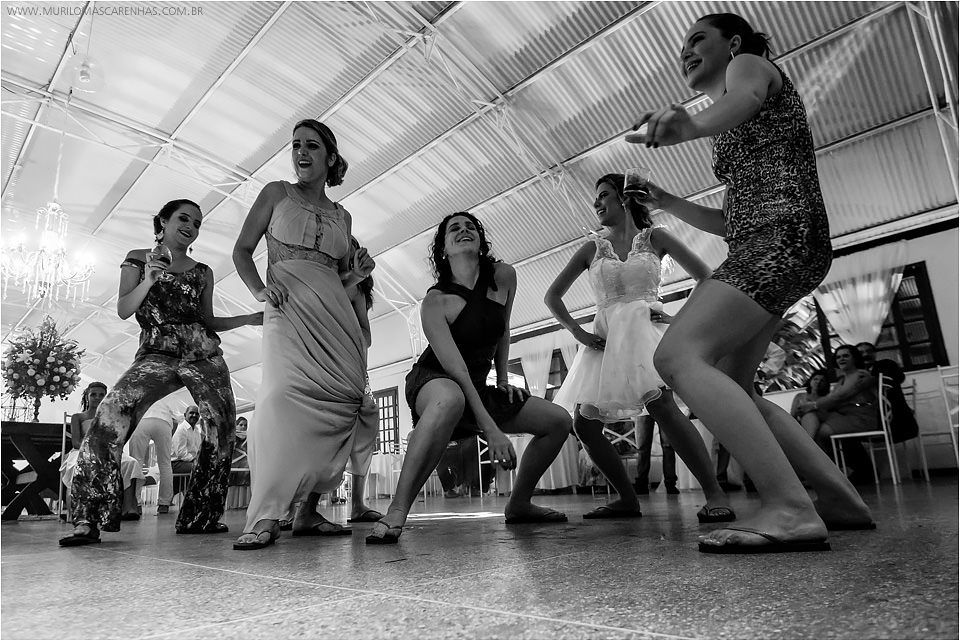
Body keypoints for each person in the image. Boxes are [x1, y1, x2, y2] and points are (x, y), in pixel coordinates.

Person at [626, 12, 873, 552]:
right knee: (734, 388)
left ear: (732, 43)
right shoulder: (737, 118)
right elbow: (731, 218)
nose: (686, 52)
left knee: (677, 358)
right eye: (682, 46)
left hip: (777, 240)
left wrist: (690, 125)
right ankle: (838, 498)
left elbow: (744, 99)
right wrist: (667, 203)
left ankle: (789, 506)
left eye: (697, 40)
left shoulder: (750, 68)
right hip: (778, 240)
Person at [58, 199, 262, 547]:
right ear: (163, 222)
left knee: (222, 429)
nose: (191, 227)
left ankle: (201, 517)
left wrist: (247, 318)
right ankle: (88, 519)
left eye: (197, 223)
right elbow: (124, 308)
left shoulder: (203, 272)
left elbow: (208, 321)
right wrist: (150, 277)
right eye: (184, 219)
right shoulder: (138, 258)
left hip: (203, 354)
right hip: (157, 352)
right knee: (110, 416)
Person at [366, 212, 571, 544]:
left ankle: (519, 503)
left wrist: (504, 378)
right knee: (451, 398)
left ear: (480, 239)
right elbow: (456, 370)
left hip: (478, 386)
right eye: (453, 230)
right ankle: (397, 509)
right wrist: (490, 428)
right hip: (436, 380)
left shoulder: (504, 276)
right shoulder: (435, 302)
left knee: (559, 421)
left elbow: (502, 330)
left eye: (469, 226)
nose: (464, 231)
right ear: (443, 250)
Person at [545, 174, 732, 522]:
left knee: (662, 407)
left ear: (624, 197)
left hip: (647, 332)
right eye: (595, 197)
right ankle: (627, 499)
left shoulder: (655, 237)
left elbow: (707, 278)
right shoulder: (591, 247)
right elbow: (552, 296)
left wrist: (677, 319)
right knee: (584, 425)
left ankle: (715, 493)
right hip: (604, 342)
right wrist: (578, 333)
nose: (597, 203)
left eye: (604, 195)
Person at [232, 119, 378, 550]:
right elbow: (241, 250)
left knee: (341, 405)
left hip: (336, 321)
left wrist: (357, 274)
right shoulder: (276, 193)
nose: (301, 152)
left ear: (330, 158)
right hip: (286, 312)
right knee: (279, 400)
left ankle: (309, 513)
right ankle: (264, 515)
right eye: (296, 145)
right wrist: (260, 289)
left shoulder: (343, 215)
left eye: (312, 146)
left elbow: (336, 278)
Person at [61, 382, 144, 521]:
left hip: (108, 450)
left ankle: (128, 508)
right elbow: (75, 442)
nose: (97, 398)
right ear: (87, 396)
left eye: (101, 395)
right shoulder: (78, 417)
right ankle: (78, 510)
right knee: (78, 465)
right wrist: (93, 447)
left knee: (130, 463)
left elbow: (117, 438)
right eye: (93, 394)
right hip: (82, 451)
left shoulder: (113, 417)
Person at [796, 345, 878, 484]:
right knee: (811, 416)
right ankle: (812, 460)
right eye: (839, 356)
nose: (841, 359)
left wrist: (813, 405)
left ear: (854, 358)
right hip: (845, 417)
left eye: (846, 355)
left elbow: (840, 397)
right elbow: (833, 401)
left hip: (861, 418)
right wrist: (812, 406)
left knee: (820, 430)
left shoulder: (860, 375)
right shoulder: (841, 380)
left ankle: (814, 466)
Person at [127, 393, 182, 514]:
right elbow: (176, 420)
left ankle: (136, 503)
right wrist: (168, 434)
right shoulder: (168, 393)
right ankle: (164, 503)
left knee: (136, 461)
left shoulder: (140, 390)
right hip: (164, 422)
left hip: (142, 419)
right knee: (165, 464)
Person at [856, 341, 919, 443]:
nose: (865, 355)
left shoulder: (886, 365)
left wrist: (873, 379)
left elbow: (899, 378)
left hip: (898, 424)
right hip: (868, 421)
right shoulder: (854, 374)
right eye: (861, 353)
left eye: (869, 351)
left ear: (875, 354)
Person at [791, 369, 831, 437]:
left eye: (822, 381)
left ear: (826, 384)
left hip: (820, 427)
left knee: (811, 417)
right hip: (801, 427)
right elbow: (792, 416)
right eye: (815, 379)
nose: (818, 382)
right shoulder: (799, 396)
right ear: (810, 381)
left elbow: (827, 416)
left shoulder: (826, 398)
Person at [171, 405, 202, 475]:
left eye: (197, 414)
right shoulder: (181, 429)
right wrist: (195, 460)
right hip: (176, 463)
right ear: (185, 415)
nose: (194, 415)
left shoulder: (197, 431)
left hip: (189, 462)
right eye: (191, 413)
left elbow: (197, 451)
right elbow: (181, 454)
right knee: (201, 468)